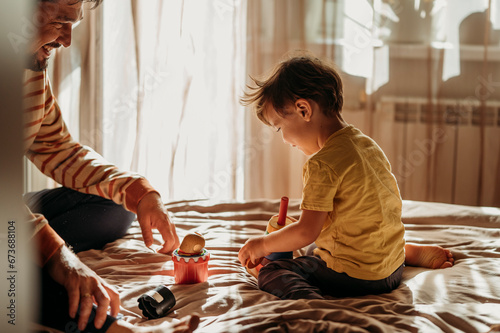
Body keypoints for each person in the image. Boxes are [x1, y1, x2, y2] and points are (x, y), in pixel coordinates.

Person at [24, 0, 197, 332]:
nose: (66, 40)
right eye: (59, 21)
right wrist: (58, 258)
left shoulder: (28, 70)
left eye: (71, 23)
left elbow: (59, 150)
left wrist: (140, 191)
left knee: (116, 205)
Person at [238, 54, 454, 300]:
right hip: (391, 269)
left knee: (273, 271)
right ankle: (404, 253)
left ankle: (315, 304)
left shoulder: (322, 163)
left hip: (357, 278)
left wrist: (262, 245)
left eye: (279, 127)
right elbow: (353, 214)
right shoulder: (366, 145)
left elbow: (307, 231)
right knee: (313, 248)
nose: (284, 140)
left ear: (303, 109)